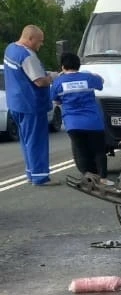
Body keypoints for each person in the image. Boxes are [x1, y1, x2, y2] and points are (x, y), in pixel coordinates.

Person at [3, 25, 57, 185]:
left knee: (26, 141)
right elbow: (39, 81)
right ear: (30, 39)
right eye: (39, 42)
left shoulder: (10, 49)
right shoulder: (27, 55)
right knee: (36, 141)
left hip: (15, 103)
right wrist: (52, 77)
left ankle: (31, 173)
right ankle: (40, 177)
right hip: (31, 105)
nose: (40, 45)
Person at [51, 53, 112, 186]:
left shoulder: (58, 82)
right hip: (93, 122)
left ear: (62, 66)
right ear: (78, 65)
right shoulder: (88, 78)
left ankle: (88, 177)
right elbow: (101, 83)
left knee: (81, 151)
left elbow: (56, 100)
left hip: (73, 124)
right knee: (99, 151)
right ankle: (103, 178)